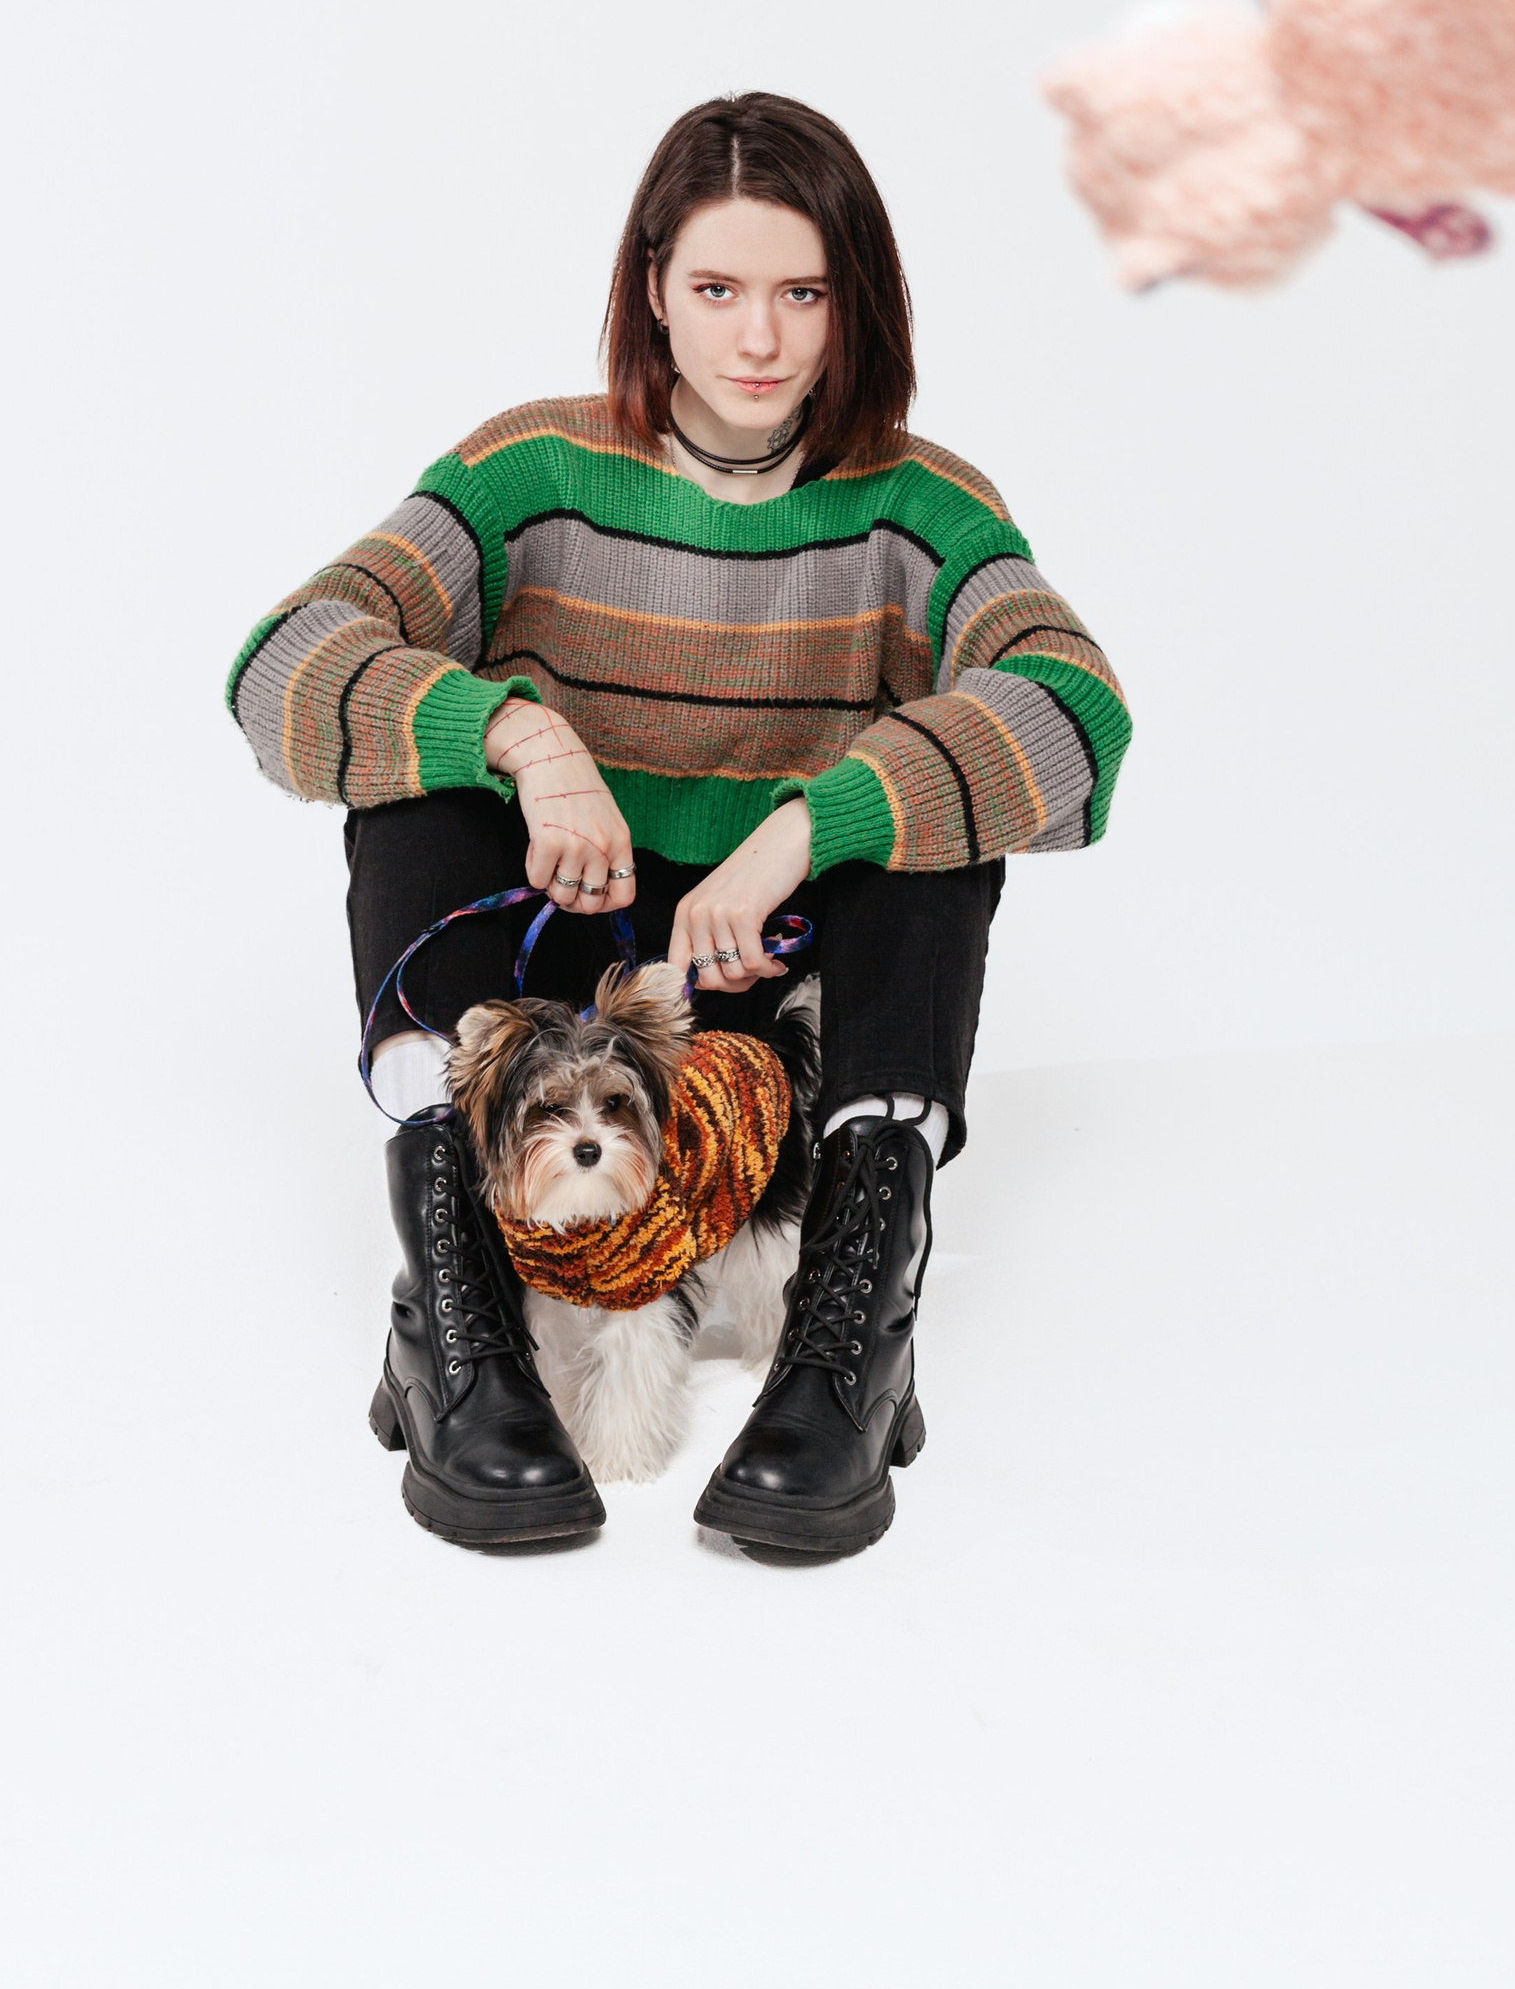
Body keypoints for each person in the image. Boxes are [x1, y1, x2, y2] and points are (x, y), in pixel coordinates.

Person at [227, 93, 1129, 1560]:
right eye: (717, 289)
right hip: (558, 977)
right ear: (653, 287)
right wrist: (519, 737)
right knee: (411, 772)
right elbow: (283, 662)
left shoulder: (921, 506)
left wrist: (807, 827)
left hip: (774, 991)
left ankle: (850, 1344)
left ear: (854, 301)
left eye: (802, 294)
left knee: (938, 803)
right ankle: (456, 1324)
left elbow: (1076, 710)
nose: (758, 339)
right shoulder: (531, 471)